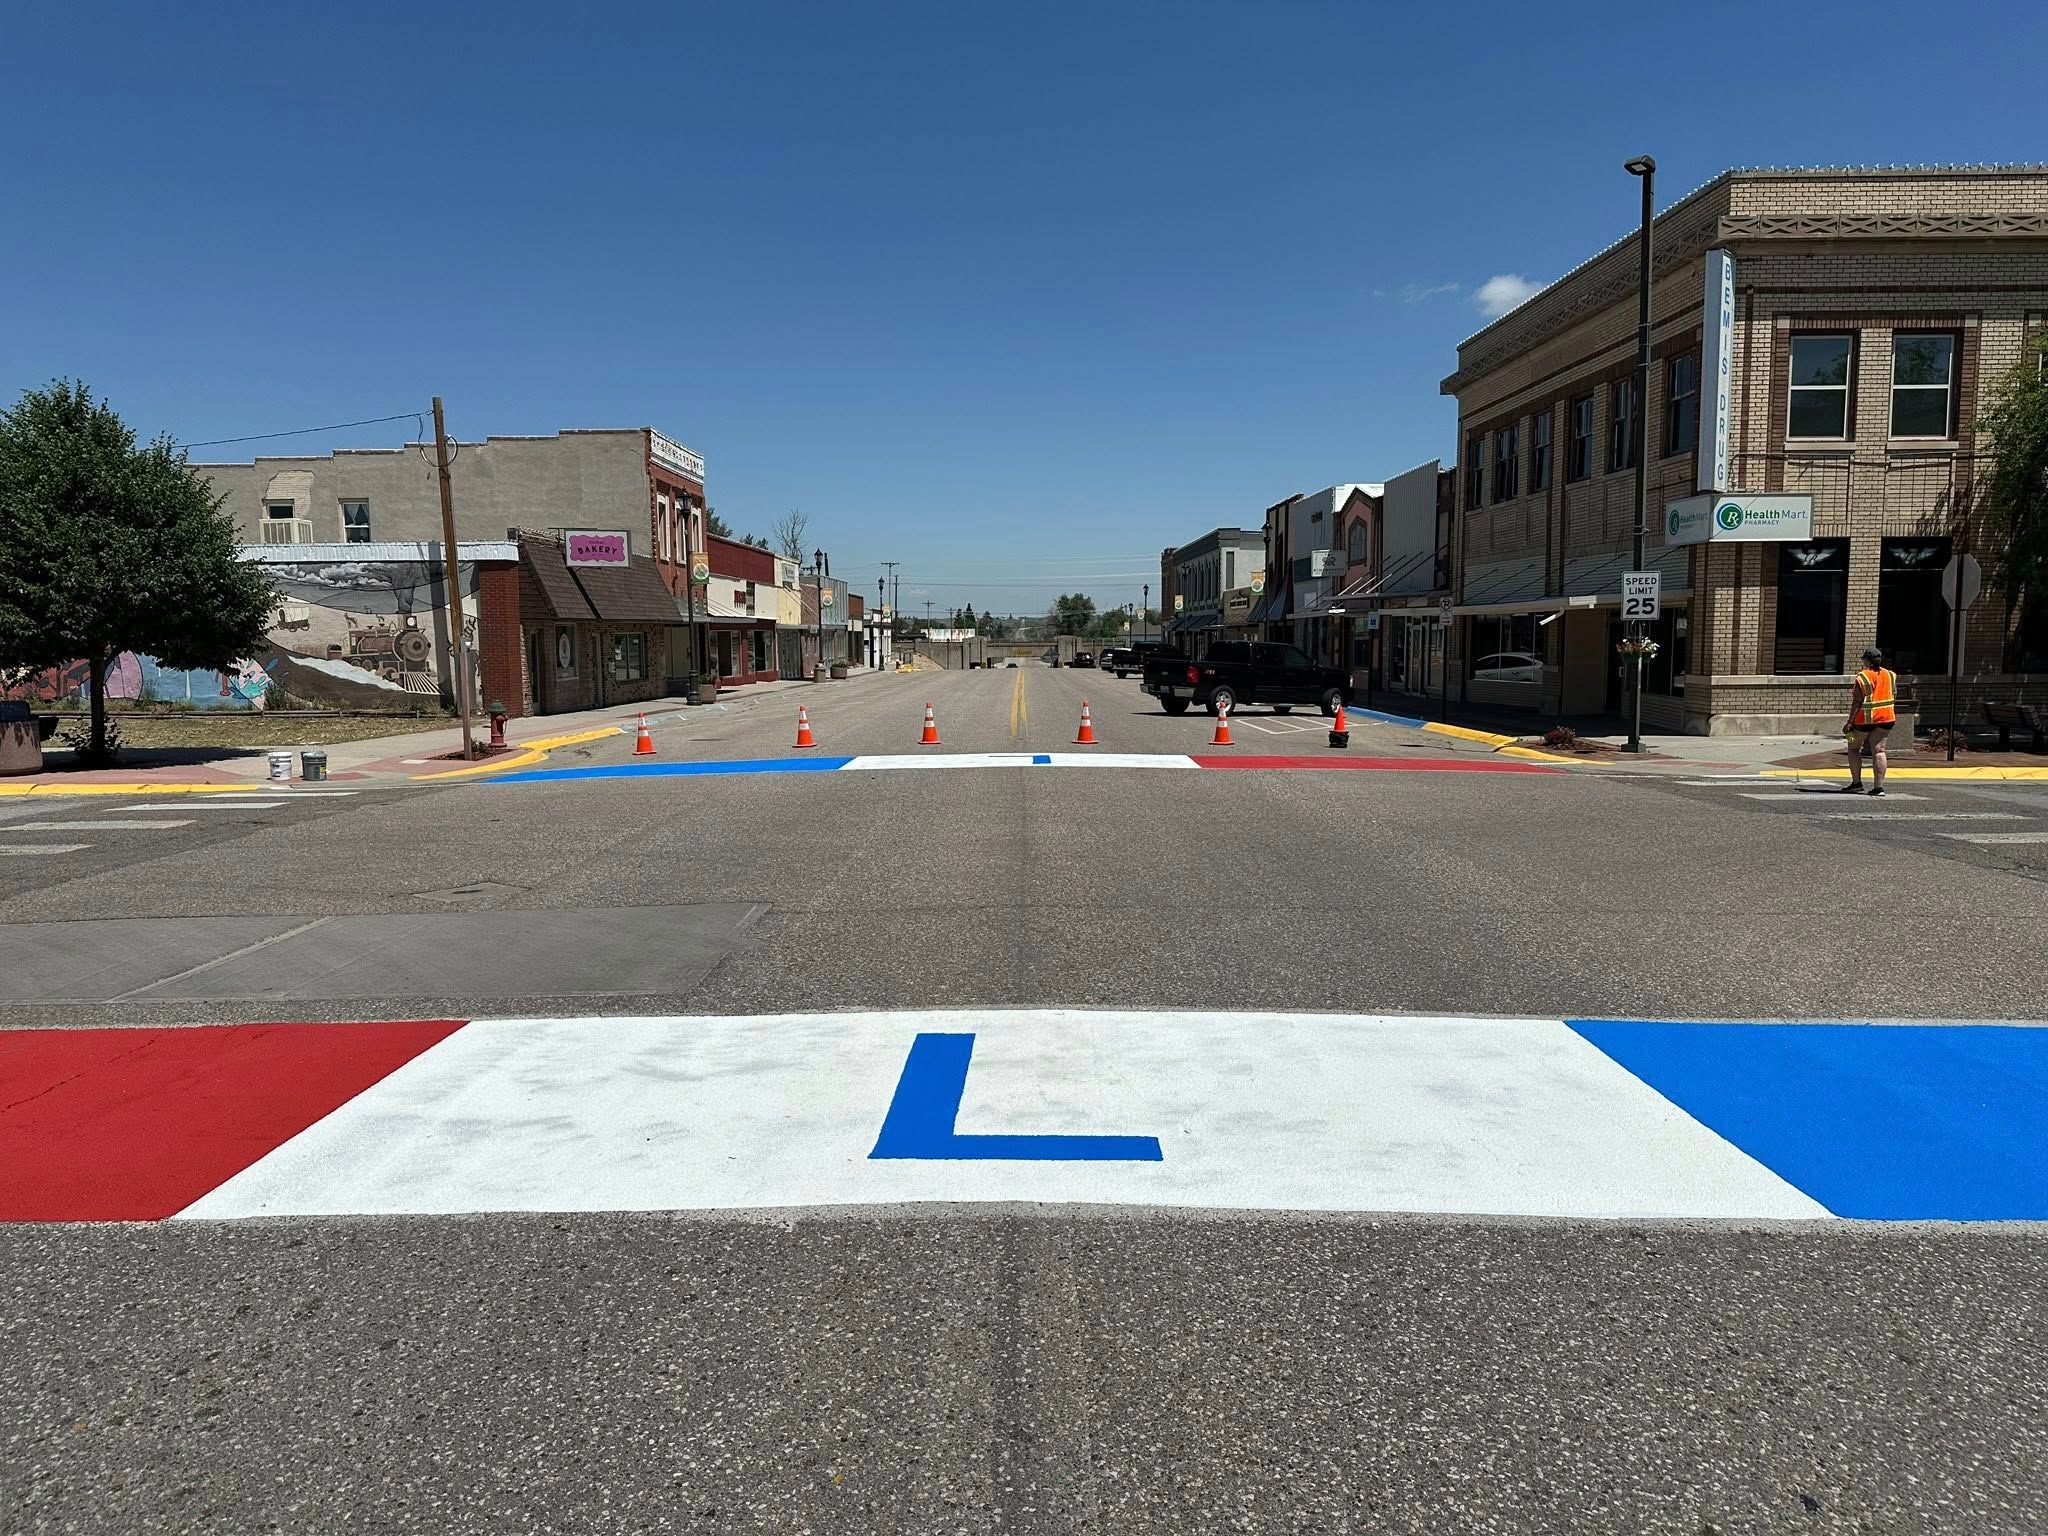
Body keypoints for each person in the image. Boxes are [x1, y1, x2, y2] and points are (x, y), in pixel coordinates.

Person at [1842, 647, 1898, 796]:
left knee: (1853, 746)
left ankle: (1856, 783)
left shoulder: (1863, 676)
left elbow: (1857, 702)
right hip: (1886, 719)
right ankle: (1878, 787)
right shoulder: (1891, 675)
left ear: (1867, 660)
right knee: (1879, 750)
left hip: (1865, 720)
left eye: (1863, 659)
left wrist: (1849, 723)